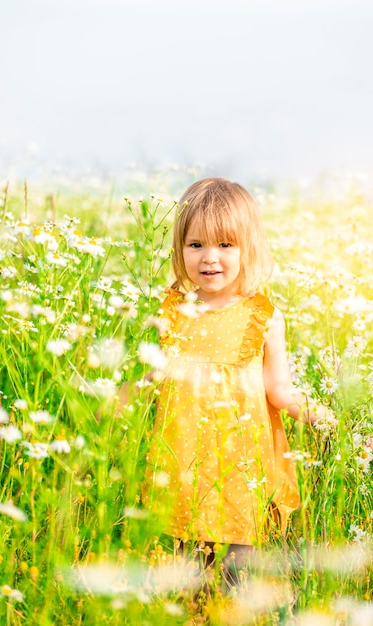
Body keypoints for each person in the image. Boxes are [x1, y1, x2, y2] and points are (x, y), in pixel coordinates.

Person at [142, 177, 332, 592]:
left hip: (240, 466)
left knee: (237, 575)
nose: (210, 258)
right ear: (180, 248)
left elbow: (279, 391)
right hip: (182, 464)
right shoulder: (172, 312)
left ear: (248, 248)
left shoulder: (262, 315)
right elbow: (152, 378)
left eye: (225, 245)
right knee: (182, 574)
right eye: (196, 245)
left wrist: (331, 420)